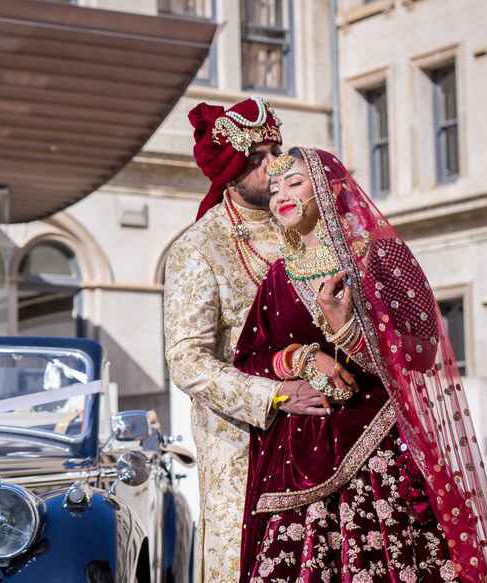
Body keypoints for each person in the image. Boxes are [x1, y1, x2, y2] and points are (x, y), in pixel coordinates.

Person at [231, 147, 487, 582]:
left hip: (379, 447)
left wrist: (347, 331)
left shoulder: (380, 259)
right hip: (298, 459)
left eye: (295, 182)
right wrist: (305, 359)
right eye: (274, 187)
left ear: (330, 187)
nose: (281, 195)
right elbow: (248, 358)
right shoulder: (277, 278)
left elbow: (422, 353)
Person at [163, 97, 330, 583]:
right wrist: (276, 395)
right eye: (255, 159)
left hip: (325, 428)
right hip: (243, 442)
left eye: (275, 153)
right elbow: (187, 360)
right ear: (230, 171)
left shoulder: (309, 228)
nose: (271, 168)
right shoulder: (199, 247)